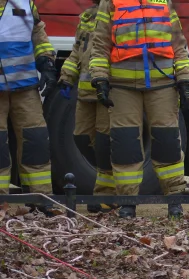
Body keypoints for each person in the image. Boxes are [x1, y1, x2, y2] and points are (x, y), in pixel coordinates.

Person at [90, 0, 189, 219]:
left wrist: (185, 79)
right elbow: (99, 43)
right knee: (125, 144)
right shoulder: (110, 3)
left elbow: (178, 44)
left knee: (167, 142)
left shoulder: (163, 1)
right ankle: (128, 202)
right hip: (122, 86)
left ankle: (174, 200)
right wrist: (100, 77)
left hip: (162, 85)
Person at [58, 0, 115, 213]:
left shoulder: (115, 13)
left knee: (104, 143)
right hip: (85, 92)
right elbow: (77, 51)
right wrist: (66, 76)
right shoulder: (87, 16)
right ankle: (107, 185)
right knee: (81, 137)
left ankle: (106, 195)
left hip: (106, 91)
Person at [0, 0, 57, 209]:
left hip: (24, 87)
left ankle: (41, 199)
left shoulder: (25, 3)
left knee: (36, 141)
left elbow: (38, 36)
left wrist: (47, 62)